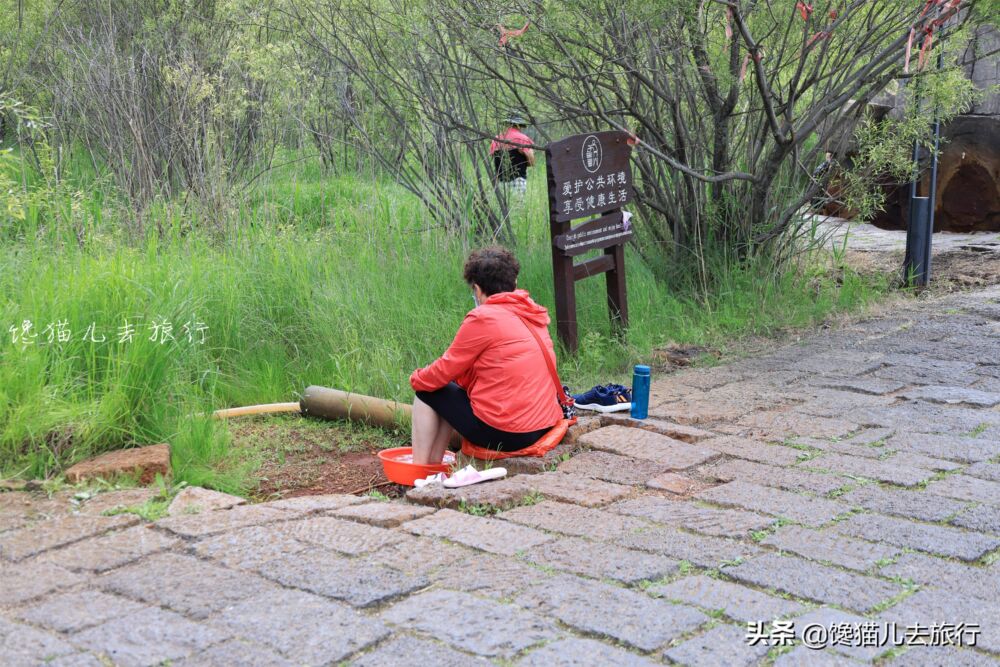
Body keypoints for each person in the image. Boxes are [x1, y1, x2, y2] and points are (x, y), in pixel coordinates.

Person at [409, 246, 562, 464]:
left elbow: (443, 371)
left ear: (478, 289)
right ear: (514, 283)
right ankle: (434, 467)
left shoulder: (483, 317)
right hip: (543, 424)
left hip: (508, 434)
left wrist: (415, 379)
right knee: (446, 393)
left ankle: (418, 471)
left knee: (427, 392)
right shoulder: (531, 312)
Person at [489, 112, 536, 196]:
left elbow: (494, 159)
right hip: (518, 180)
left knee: (502, 207)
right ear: (519, 125)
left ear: (507, 124)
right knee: (518, 206)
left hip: (500, 182)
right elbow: (532, 162)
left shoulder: (496, 139)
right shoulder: (523, 139)